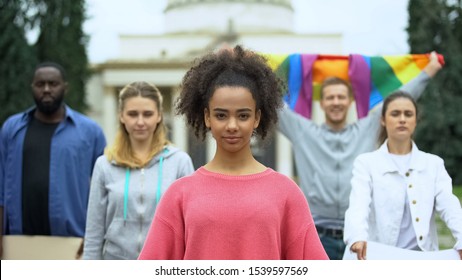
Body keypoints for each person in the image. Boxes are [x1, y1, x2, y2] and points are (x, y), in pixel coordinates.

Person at [138, 45, 328, 260]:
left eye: (243, 116)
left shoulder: (286, 193)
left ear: (257, 117)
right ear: (207, 117)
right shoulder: (179, 194)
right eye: (221, 115)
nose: (232, 125)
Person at [277, 52, 443, 259]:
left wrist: (429, 70)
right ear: (322, 103)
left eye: (341, 97)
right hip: (316, 236)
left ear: (350, 101)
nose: (336, 102)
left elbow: (398, 100)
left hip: (360, 237)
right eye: (330, 97)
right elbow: (273, 106)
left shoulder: (369, 127)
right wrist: (238, 66)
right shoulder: (303, 131)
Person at [0, 62, 106, 258]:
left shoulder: (90, 132)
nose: (47, 89)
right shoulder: (11, 129)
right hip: (17, 242)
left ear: (65, 87)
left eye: (53, 84)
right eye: (40, 84)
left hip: (72, 243)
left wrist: (94, 240)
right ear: (32, 87)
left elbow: (105, 191)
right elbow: (0, 187)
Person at [82, 81, 194, 260]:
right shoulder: (104, 165)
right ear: (121, 116)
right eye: (133, 114)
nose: (140, 122)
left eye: (147, 114)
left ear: (158, 116)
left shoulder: (180, 162)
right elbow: (94, 231)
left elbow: (190, 227)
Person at [344, 91, 462, 260]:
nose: (402, 119)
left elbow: (449, 206)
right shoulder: (366, 163)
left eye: (408, 114)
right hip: (381, 256)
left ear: (415, 121)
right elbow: (358, 205)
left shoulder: (433, 164)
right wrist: (357, 236)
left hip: (424, 258)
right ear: (383, 120)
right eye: (395, 114)